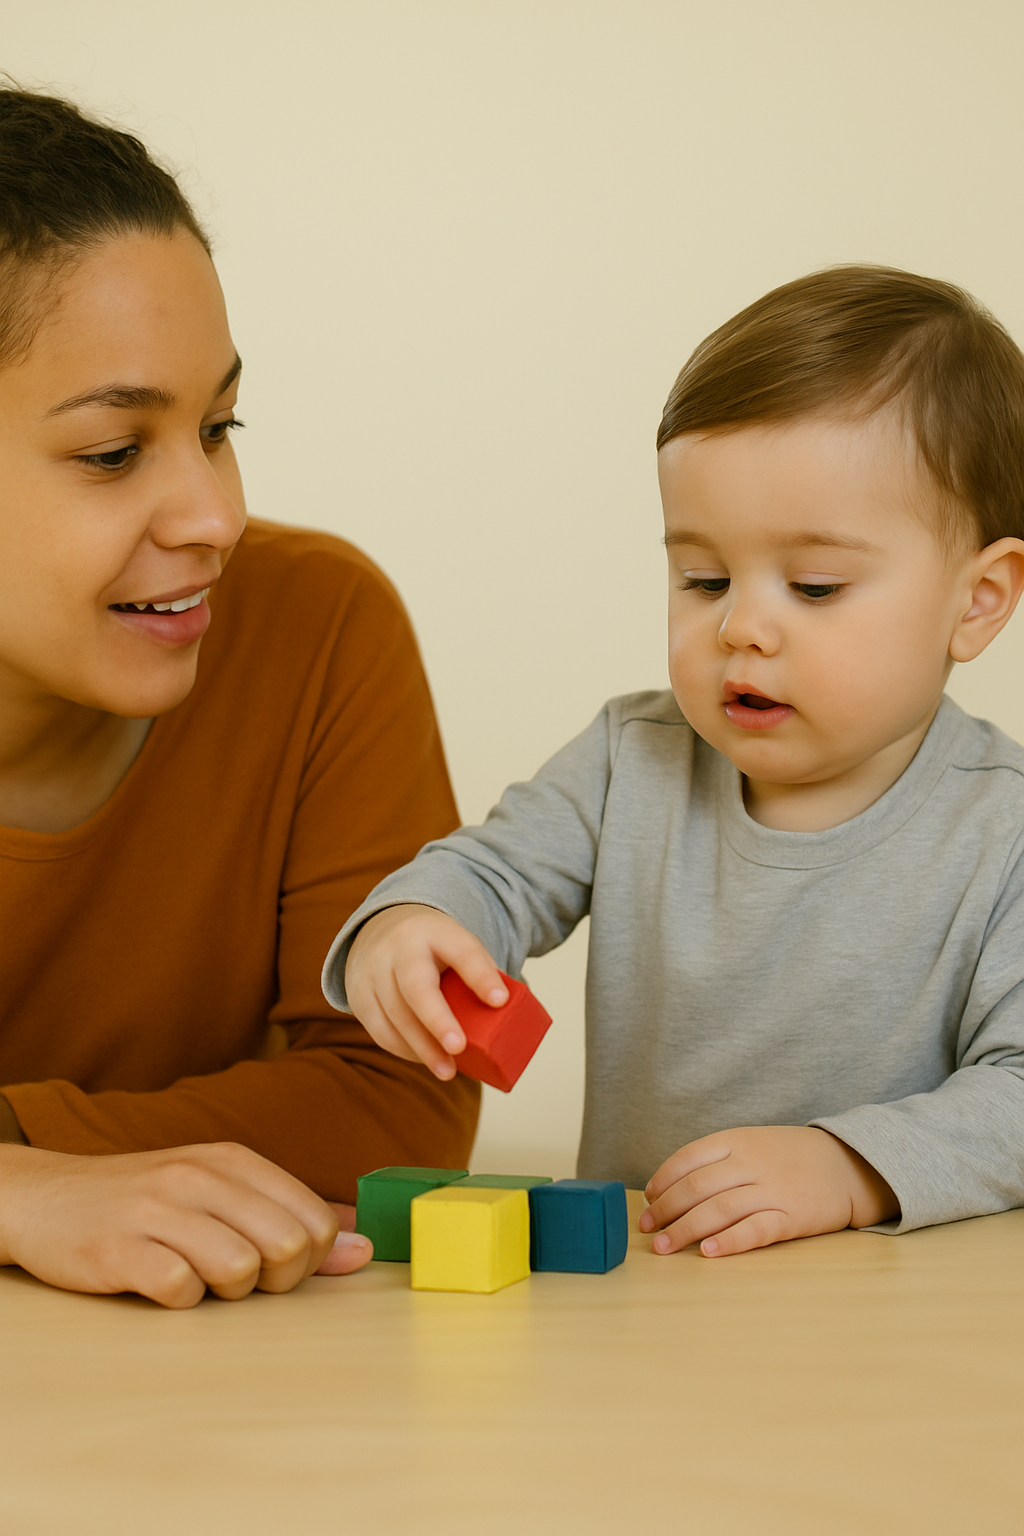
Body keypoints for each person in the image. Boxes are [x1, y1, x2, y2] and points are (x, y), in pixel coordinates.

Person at [327, 266, 1024, 1257]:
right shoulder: (632, 759)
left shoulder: (1001, 832)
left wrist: (848, 1165)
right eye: (701, 576)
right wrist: (413, 923)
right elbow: (494, 871)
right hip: (643, 1290)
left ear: (979, 600)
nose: (741, 626)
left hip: (883, 1323)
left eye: (815, 586)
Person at [0, 87, 478, 1308]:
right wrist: (21, 1192)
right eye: (113, 452)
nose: (218, 515)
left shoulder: (320, 626)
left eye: (219, 424)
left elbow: (402, 1103)